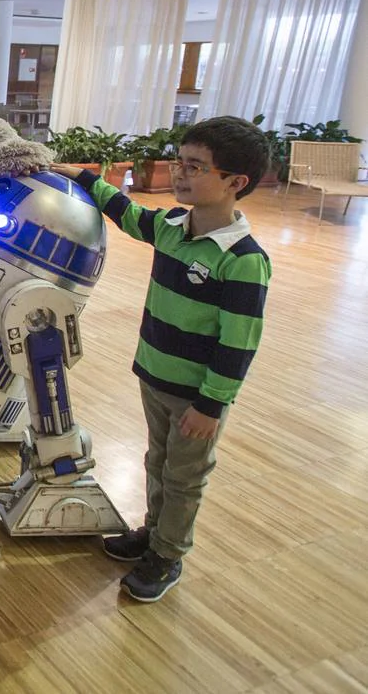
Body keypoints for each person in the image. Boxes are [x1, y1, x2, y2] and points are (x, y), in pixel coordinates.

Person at [50, 116, 272, 603]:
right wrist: (82, 177)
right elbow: (129, 214)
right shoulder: (173, 225)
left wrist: (212, 405)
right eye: (180, 162)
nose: (180, 174)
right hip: (155, 376)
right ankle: (152, 533)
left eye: (195, 167)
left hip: (196, 396)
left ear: (236, 183)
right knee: (157, 461)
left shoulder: (242, 260)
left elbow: (240, 343)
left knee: (184, 476)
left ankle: (168, 556)